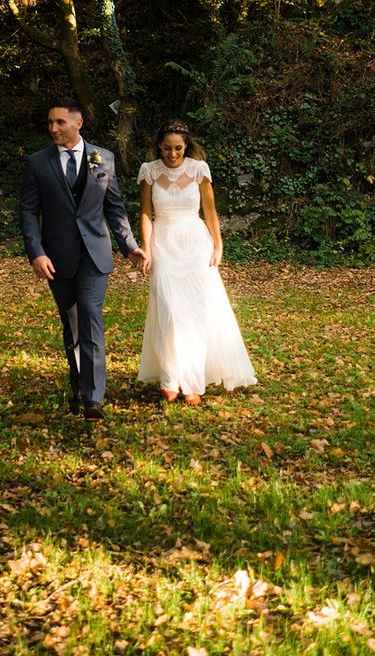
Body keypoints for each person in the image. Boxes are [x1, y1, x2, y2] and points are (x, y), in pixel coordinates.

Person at [20, 96, 146, 421]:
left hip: (94, 255)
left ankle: (94, 398)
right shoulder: (38, 162)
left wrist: (130, 246)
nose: (53, 128)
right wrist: (36, 252)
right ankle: (78, 387)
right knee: (72, 323)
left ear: (78, 123)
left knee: (90, 318)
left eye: (59, 122)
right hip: (57, 258)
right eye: (50, 123)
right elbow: (29, 211)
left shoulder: (101, 157)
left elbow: (114, 207)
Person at [135, 120, 257, 405]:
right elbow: (145, 213)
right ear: (159, 146)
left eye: (178, 148)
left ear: (186, 146)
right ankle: (169, 376)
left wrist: (218, 244)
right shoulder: (149, 171)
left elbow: (210, 211)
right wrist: (146, 248)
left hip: (194, 244)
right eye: (167, 148)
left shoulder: (199, 170)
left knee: (195, 313)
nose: (173, 154)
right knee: (169, 310)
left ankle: (191, 381)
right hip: (163, 243)